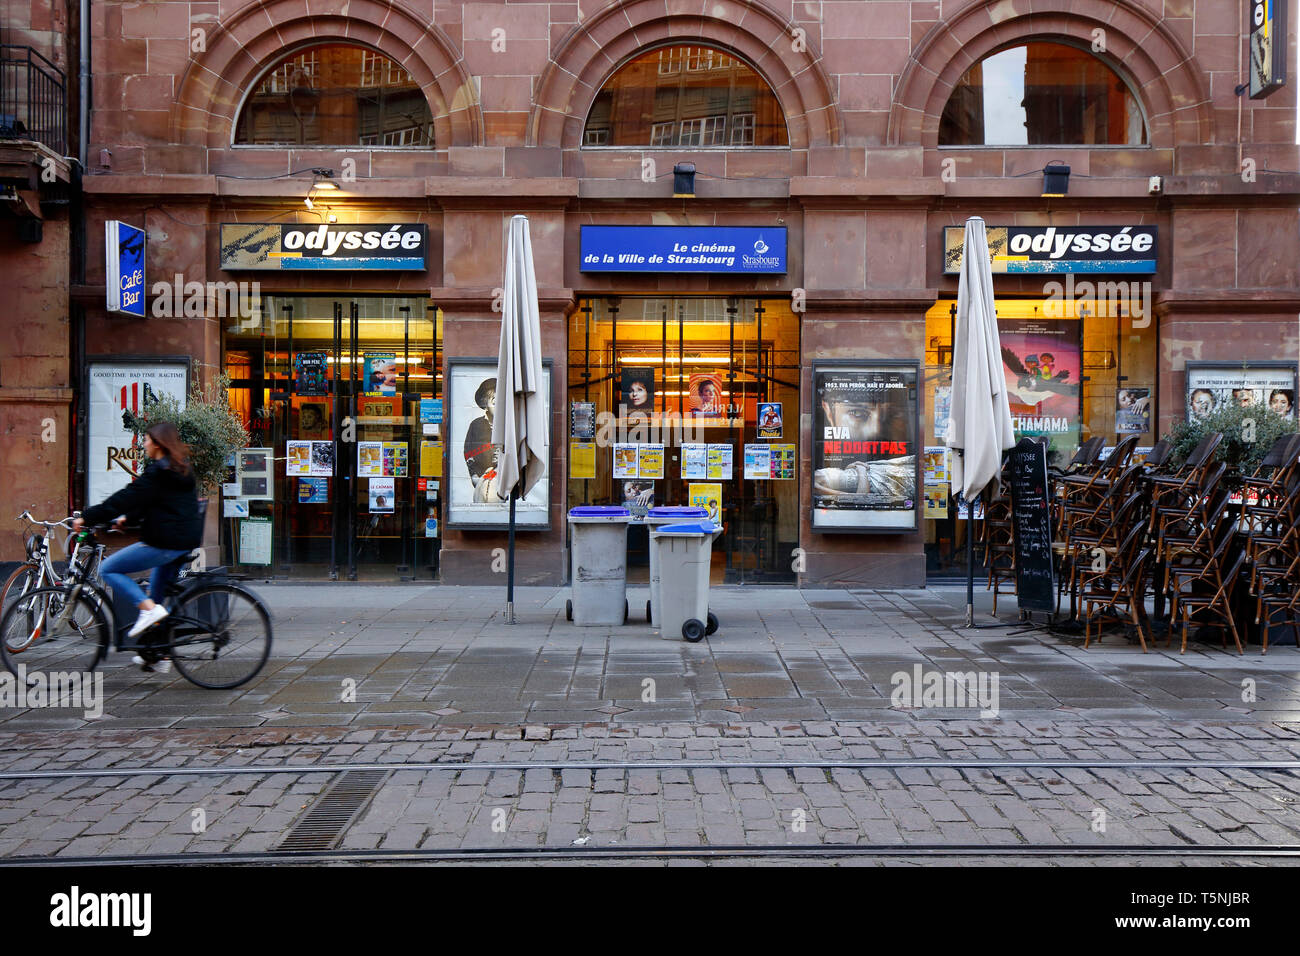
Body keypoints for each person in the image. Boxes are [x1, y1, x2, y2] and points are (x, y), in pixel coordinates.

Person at [73, 422, 203, 673]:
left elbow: (124, 498)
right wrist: (128, 520)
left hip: (166, 543)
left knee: (109, 569)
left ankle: (149, 613)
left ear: (157, 443)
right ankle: (158, 655)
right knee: (155, 598)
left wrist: (87, 517)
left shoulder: (159, 472)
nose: (143, 444)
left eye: (145, 440)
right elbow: (154, 502)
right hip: (183, 540)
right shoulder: (179, 468)